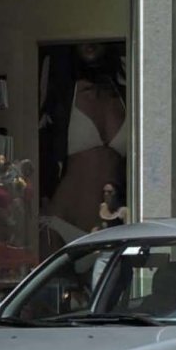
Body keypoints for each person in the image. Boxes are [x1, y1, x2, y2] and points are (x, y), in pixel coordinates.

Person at [40, 41, 127, 252]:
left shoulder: (125, 90)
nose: (90, 45)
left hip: (112, 228)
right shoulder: (63, 92)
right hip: (64, 224)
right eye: (83, 41)